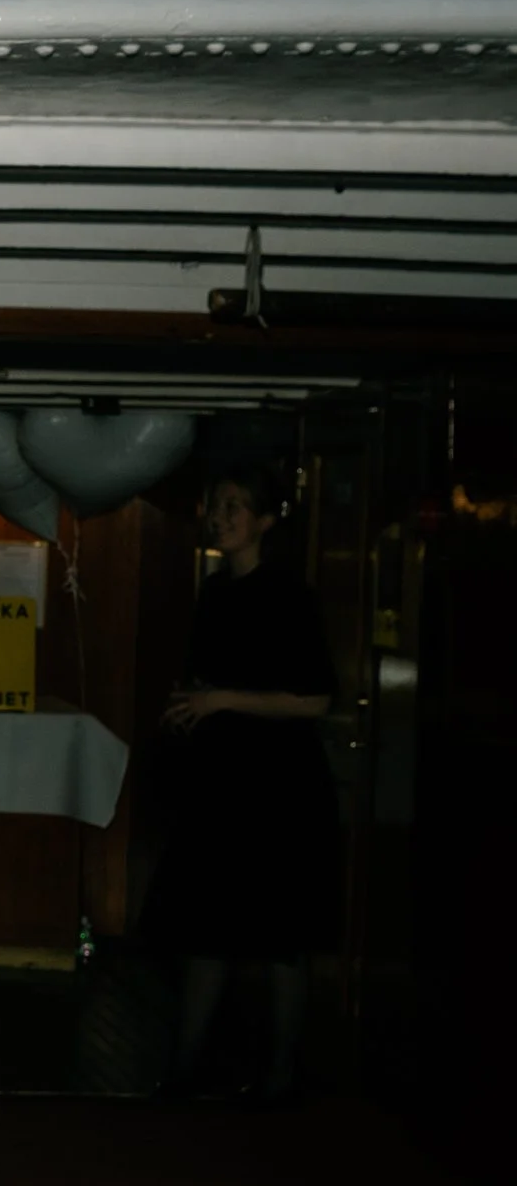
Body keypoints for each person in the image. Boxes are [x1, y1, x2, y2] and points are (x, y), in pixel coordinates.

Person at [143, 453, 342, 1102]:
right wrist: (190, 709)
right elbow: (209, 682)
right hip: (222, 787)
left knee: (280, 939)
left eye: (234, 506)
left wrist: (220, 700)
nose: (219, 517)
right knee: (208, 930)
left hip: (278, 790)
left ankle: (281, 1076)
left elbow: (314, 700)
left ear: (263, 521)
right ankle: (183, 1068)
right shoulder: (217, 592)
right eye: (216, 504)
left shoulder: (289, 597)